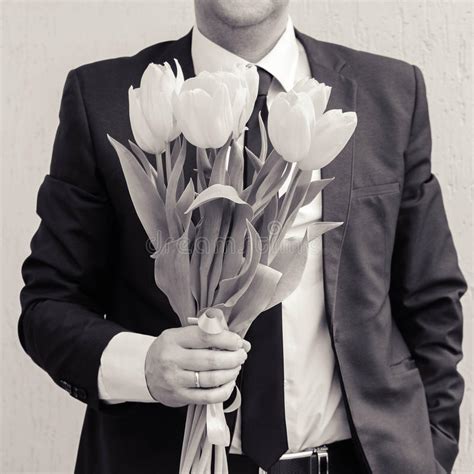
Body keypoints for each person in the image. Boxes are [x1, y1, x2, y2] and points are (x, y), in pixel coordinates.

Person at [18, 1, 467, 473]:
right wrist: (144, 367)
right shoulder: (107, 97)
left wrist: (432, 450)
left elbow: (432, 299)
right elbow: (49, 304)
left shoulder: (391, 94)